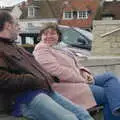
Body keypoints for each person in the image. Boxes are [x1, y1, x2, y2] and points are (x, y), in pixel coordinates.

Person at [0, 11, 94, 120]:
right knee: (69, 118)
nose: (19, 28)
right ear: (8, 26)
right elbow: (3, 79)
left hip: (44, 90)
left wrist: (46, 77)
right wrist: (32, 79)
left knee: (83, 114)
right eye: (16, 24)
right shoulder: (3, 48)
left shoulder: (15, 46)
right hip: (25, 98)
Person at [33, 23, 120, 120]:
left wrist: (85, 73)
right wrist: (81, 79)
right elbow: (56, 71)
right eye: (45, 34)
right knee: (108, 95)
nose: (49, 36)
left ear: (58, 36)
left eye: (53, 33)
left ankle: (117, 109)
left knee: (110, 77)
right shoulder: (41, 49)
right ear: (40, 36)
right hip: (66, 88)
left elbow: (78, 64)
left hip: (78, 81)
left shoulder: (61, 49)